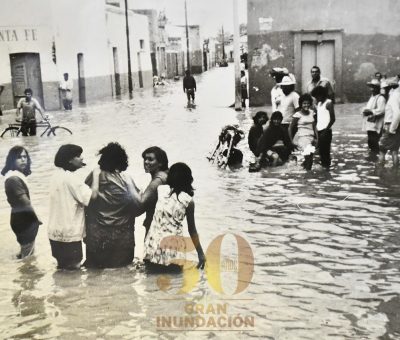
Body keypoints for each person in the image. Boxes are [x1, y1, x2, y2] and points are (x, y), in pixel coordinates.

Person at [143, 162, 205, 272]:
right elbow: (192, 230)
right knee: (174, 284)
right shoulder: (188, 201)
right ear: (188, 179)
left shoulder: (160, 190)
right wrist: (200, 254)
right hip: (173, 250)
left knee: (151, 283)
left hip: (153, 247)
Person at [84, 142, 138, 268]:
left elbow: (84, 198)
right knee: (122, 273)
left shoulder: (95, 175)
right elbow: (136, 204)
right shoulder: (125, 178)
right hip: (123, 235)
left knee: (94, 274)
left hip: (98, 235)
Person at [48, 145, 100, 270]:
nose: (82, 158)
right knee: (74, 271)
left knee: (62, 269)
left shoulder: (56, 176)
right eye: (78, 156)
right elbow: (93, 196)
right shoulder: (71, 179)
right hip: (69, 236)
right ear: (69, 160)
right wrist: (96, 174)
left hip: (54, 234)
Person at [1, 146, 41, 259]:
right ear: (12, 160)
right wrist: (37, 218)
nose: (23, 160)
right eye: (19, 157)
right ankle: (27, 274)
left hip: (21, 218)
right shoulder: (13, 179)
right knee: (28, 257)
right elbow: (25, 202)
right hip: (23, 220)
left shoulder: (14, 176)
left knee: (25, 252)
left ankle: (19, 272)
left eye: (25, 157)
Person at [131, 147, 169, 236]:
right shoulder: (166, 175)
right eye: (145, 159)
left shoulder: (158, 181)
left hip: (155, 231)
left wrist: (134, 192)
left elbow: (139, 207)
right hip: (164, 228)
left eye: (150, 159)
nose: (146, 162)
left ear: (160, 163)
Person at [289, 94, 318, 170]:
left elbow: (314, 127)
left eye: (308, 103)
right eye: (304, 103)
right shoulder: (297, 115)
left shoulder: (312, 113)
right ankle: (308, 176)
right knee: (309, 158)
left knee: (309, 158)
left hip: (311, 138)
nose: (306, 105)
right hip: (302, 138)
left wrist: (317, 138)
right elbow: (290, 128)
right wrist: (291, 141)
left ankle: (301, 170)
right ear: (301, 104)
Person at [361, 79, 386, 161]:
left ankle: (376, 158)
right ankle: (373, 157)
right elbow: (368, 107)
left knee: (374, 141)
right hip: (370, 123)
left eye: (374, 87)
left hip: (376, 124)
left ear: (378, 88)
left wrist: (371, 111)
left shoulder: (381, 98)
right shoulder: (372, 97)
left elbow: (382, 110)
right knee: (370, 141)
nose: (372, 89)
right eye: (371, 87)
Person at [311, 85, 336, 169]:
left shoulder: (329, 103)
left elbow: (333, 119)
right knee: (321, 152)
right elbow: (318, 118)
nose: (317, 98)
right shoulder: (319, 103)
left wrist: (325, 131)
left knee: (326, 152)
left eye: (317, 96)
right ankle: (324, 169)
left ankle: (327, 169)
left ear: (322, 94)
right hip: (319, 131)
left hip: (326, 131)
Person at [379, 77, 400, 167]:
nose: (384, 91)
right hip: (396, 125)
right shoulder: (398, 95)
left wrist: (392, 128)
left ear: (390, 88)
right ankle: (395, 171)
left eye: (385, 89)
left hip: (390, 125)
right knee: (394, 150)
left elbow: (397, 113)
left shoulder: (394, 97)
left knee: (382, 149)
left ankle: (380, 170)